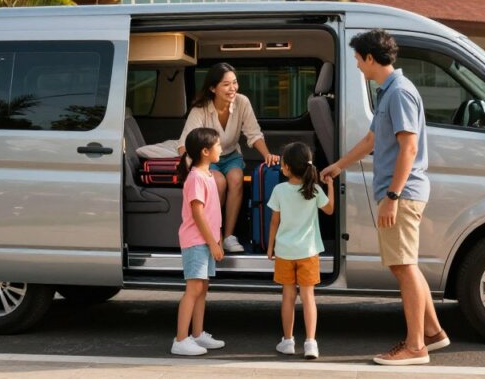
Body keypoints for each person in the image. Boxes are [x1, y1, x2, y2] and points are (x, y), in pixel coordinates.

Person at [319, 29, 449, 366]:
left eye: (358, 60)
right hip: (399, 193)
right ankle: (433, 333)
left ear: (371, 59)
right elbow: (371, 139)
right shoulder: (387, 92)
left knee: (403, 267)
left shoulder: (399, 93)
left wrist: (392, 195)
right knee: (406, 265)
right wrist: (338, 165)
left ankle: (416, 346)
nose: (358, 66)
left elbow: (409, 147)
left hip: (401, 194)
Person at [179, 62, 279, 253]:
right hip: (208, 159)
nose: (232, 88)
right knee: (218, 182)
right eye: (226, 84)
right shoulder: (200, 109)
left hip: (232, 154)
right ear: (212, 88)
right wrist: (193, 170)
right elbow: (185, 144)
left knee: (236, 178)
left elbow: (254, 134)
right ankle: (214, 233)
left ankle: (229, 236)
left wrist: (267, 155)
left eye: (235, 83)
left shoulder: (242, 102)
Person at [266, 142, 335, 360]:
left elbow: (274, 222)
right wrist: (330, 185)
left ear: (285, 167)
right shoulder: (314, 189)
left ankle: (287, 341)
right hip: (308, 251)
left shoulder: (279, 190)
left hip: (285, 251)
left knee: (288, 297)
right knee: (308, 297)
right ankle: (310, 343)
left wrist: (270, 247)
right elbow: (330, 210)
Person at [171, 127, 227, 356]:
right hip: (196, 241)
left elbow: (214, 214)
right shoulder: (196, 177)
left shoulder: (208, 175)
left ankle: (197, 334)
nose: (221, 148)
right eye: (218, 145)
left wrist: (218, 239)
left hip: (206, 240)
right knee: (193, 289)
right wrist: (212, 243)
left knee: (203, 288)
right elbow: (198, 214)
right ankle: (181, 339)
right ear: (205, 151)